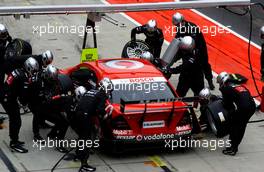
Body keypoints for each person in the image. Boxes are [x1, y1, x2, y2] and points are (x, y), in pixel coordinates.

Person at [66, 78, 113, 172]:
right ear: (105, 88)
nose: (109, 92)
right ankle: (84, 165)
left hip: (77, 115)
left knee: (82, 137)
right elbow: (100, 111)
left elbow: (89, 105)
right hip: (84, 117)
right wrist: (106, 114)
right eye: (109, 89)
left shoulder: (91, 91)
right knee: (87, 140)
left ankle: (78, 155)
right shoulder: (101, 94)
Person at [1, 57, 40, 153]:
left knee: (15, 118)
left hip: (5, 93)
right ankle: (14, 143)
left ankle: (14, 139)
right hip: (7, 98)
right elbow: (23, 97)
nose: (34, 73)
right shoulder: (24, 78)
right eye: (34, 71)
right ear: (29, 68)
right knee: (16, 120)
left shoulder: (18, 71)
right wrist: (24, 104)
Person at [172, 12, 214, 90]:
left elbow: (194, 42)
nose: (177, 26)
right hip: (187, 48)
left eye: (178, 25)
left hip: (199, 48)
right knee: (183, 61)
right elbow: (177, 39)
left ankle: (210, 81)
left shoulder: (192, 28)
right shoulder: (179, 28)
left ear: (182, 21)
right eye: (176, 25)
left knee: (205, 64)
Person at [217, 72, 256, 156]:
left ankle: (233, 148)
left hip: (244, 108)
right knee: (240, 126)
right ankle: (233, 146)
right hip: (251, 106)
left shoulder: (226, 89)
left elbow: (227, 105)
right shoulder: (239, 85)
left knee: (235, 127)